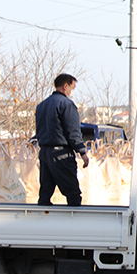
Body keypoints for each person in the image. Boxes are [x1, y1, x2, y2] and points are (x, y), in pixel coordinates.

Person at [34, 73, 89, 206]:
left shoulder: (41, 106)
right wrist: (82, 152)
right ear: (65, 86)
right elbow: (73, 132)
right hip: (61, 154)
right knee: (73, 194)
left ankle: (41, 222)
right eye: (72, 88)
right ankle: (74, 224)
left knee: (45, 194)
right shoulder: (66, 105)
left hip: (45, 153)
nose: (72, 92)